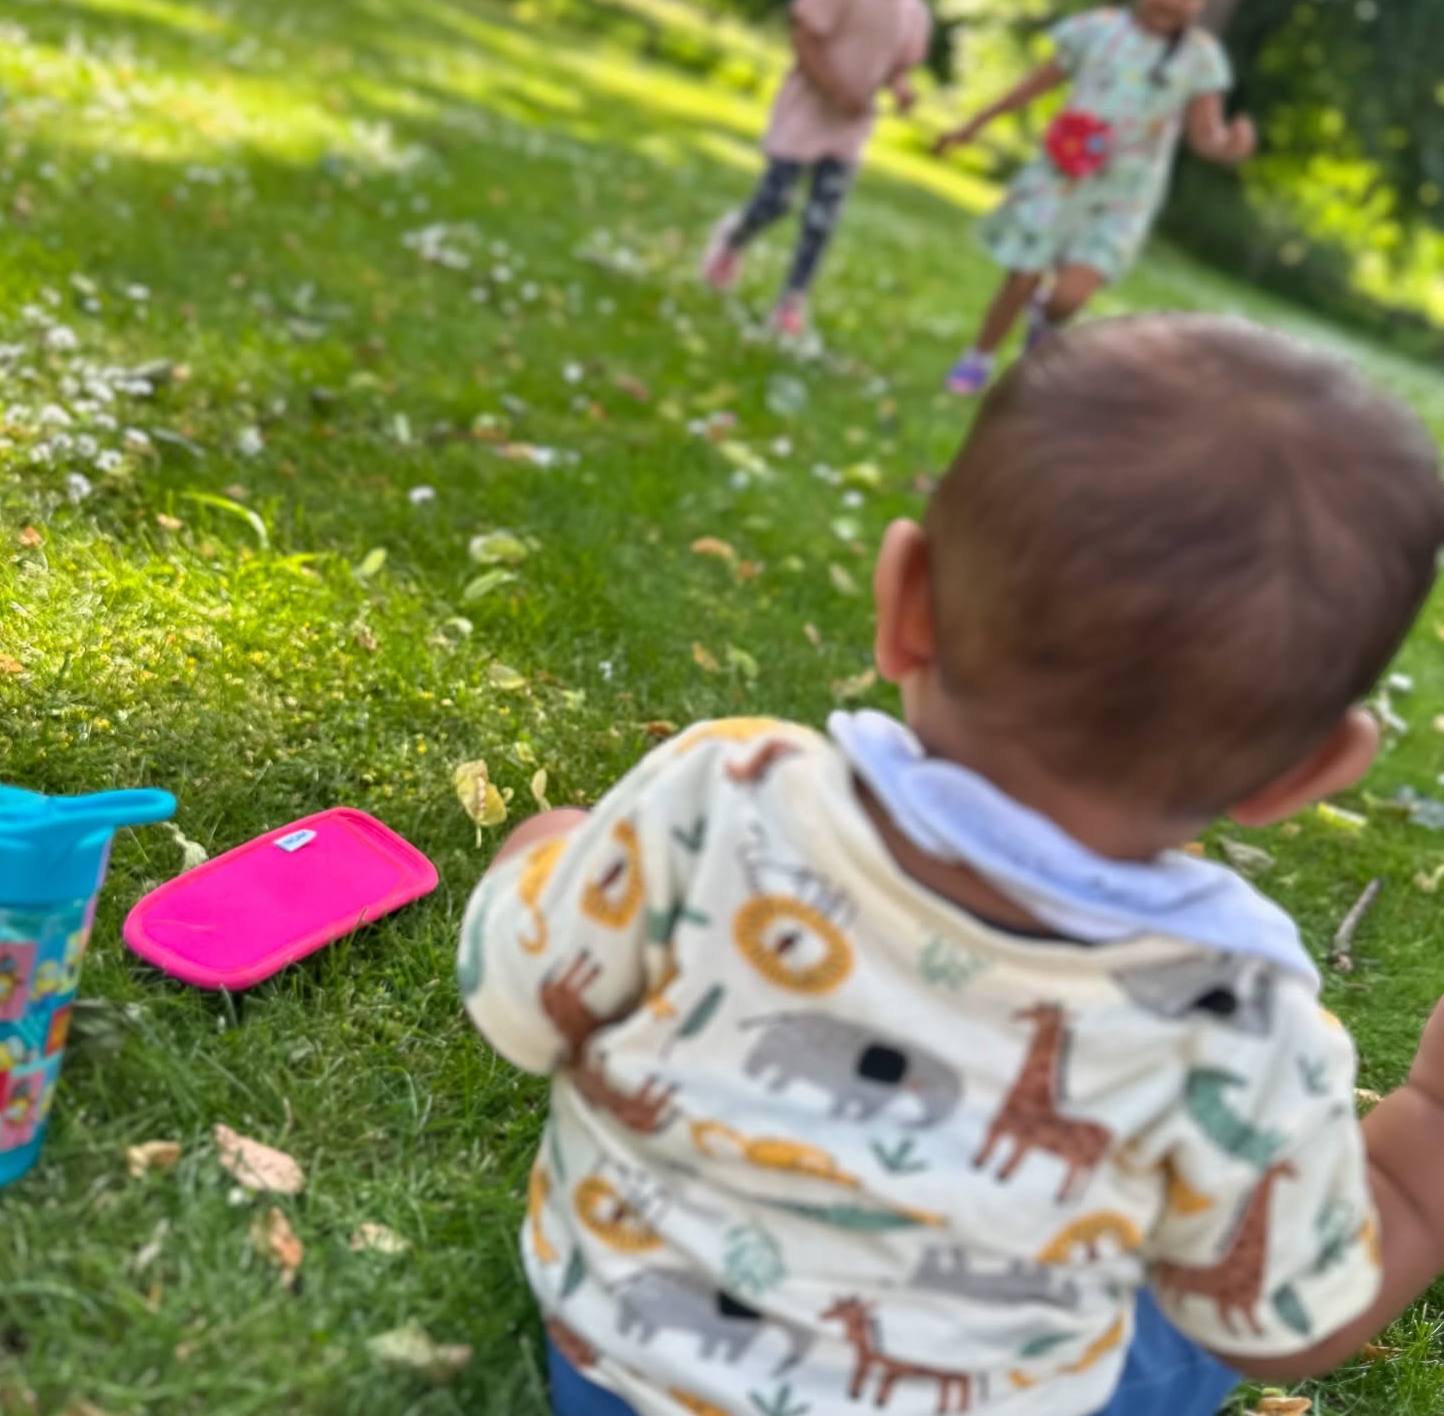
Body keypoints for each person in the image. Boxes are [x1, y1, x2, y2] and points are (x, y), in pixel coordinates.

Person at [460, 313, 1444, 1416]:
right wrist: (1428, 1123)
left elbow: (516, 1000)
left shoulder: (716, 798)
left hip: (619, 1370)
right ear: (1307, 771)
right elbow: (1285, 1322)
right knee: (1196, 1306)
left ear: (903, 601)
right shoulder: (1239, 1021)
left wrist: (544, 846)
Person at [936, 0, 1255, 395]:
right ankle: (978, 356)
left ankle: (1045, 327)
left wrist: (1229, 146)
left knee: (1068, 297)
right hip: (1058, 177)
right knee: (1022, 275)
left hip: (1122, 196)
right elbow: (1031, 86)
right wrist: (973, 124)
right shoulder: (1096, 30)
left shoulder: (1201, 59)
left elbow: (1203, 137)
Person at [701, 0, 954, 343]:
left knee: (823, 218)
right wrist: (834, 90)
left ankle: (791, 302)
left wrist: (900, 90)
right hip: (806, 115)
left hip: (850, 130)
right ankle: (731, 242)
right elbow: (805, 36)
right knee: (774, 202)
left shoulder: (915, 12)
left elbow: (898, 65)